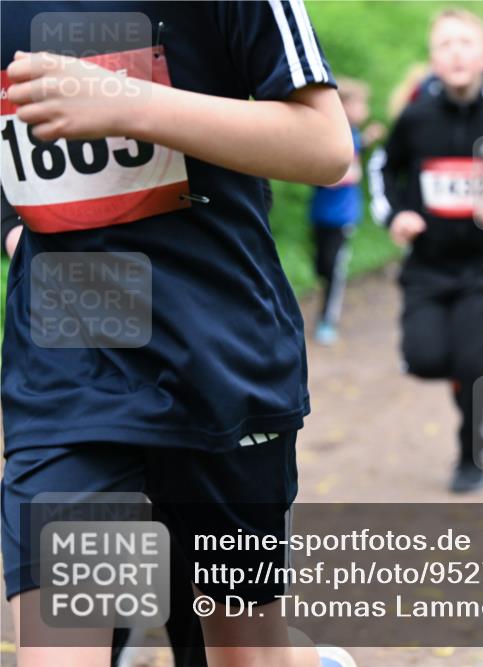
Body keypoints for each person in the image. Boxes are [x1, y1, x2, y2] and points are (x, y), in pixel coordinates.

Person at [0, 3, 357, 667]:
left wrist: (125, 102)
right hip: (73, 349)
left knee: (242, 656)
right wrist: (11, 225)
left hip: (216, 343)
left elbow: (325, 145)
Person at [369, 8, 483, 493]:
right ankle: (458, 370)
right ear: (432, 61)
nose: (456, 52)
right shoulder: (414, 120)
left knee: (475, 366)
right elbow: (384, 169)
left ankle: (472, 461)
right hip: (426, 266)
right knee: (424, 358)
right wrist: (394, 216)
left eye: (465, 42)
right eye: (445, 44)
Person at [309, 77, 385, 345]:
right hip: (320, 214)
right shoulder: (332, 137)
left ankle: (328, 320)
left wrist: (366, 141)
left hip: (343, 217)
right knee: (321, 265)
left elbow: (353, 156)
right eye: (360, 104)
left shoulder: (352, 137)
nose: (364, 111)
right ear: (343, 107)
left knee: (335, 270)